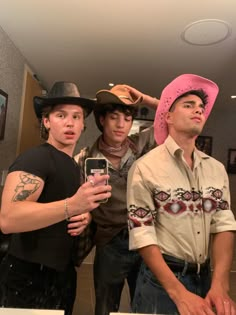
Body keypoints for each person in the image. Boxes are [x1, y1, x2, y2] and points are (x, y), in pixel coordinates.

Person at [127, 74, 236, 315]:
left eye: (201, 107)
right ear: (168, 116)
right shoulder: (145, 167)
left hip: (205, 278)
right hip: (161, 282)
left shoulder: (217, 169)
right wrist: (178, 293)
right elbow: (142, 233)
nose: (198, 110)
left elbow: (224, 225)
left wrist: (220, 283)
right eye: (188, 105)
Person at [0, 81, 111, 315]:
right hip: (28, 276)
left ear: (83, 125)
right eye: (61, 115)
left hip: (62, 274)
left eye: (77, 116)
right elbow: (9, 219)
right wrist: (73, 205)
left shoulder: (72, 165)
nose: (70, 122)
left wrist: (85, 217)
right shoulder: (36, 159)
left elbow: (60, 208)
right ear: (47, 121)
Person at [75, 84, 159, 315]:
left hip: (143, 238)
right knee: (105, 306)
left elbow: (171, 118)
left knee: (145, 304)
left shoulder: (140, 144)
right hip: (109, 242)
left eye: (127, 118)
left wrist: (145, 98)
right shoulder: (85, 159)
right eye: (114, 117)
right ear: (102, 120)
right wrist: (84, 213)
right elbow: (81, 202)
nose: (121, 125)